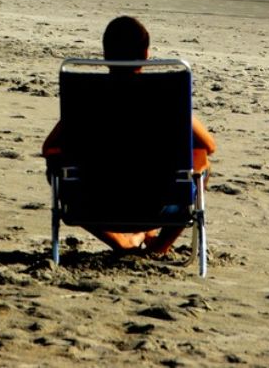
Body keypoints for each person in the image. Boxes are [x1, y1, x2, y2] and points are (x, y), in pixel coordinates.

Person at [42, 15, 216, 255]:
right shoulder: (166, 96)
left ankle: (120, 242)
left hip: (92, 204)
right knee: (201, 158)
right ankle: (159, 246)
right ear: (146, 53)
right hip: (160, 204)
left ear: (105, 55)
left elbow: (48, 148)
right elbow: (209, 145)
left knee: (55, 163)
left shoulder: (86, 98)